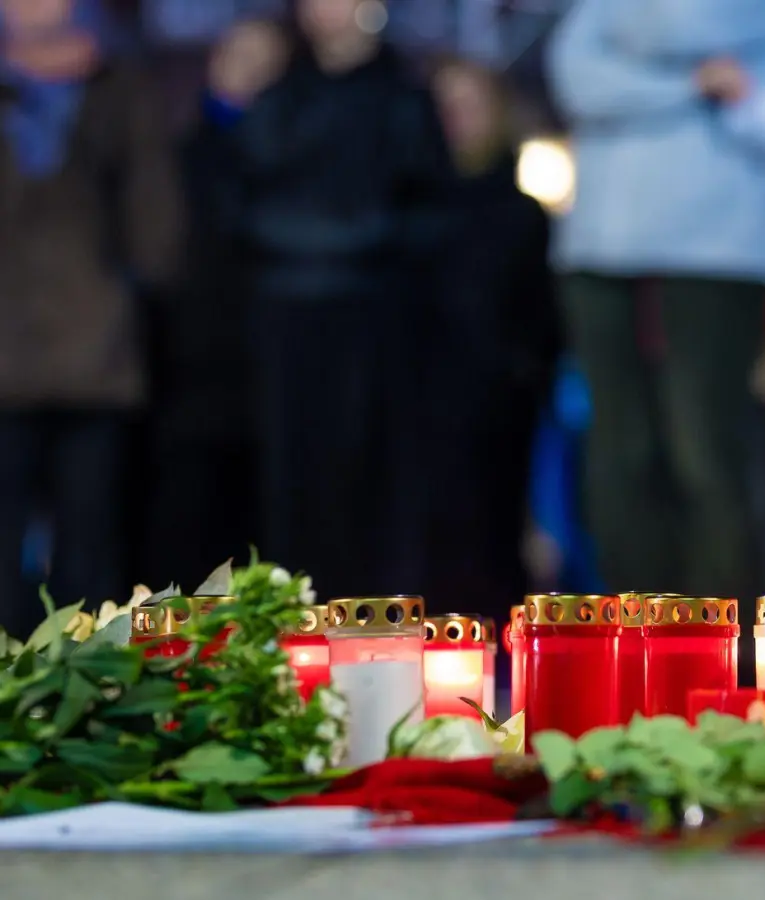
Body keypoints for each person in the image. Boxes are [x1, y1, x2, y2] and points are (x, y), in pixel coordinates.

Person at [545, 0, 765, 607]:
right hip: (600, 254)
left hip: (719, 257)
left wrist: (634, 66)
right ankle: (636, 639)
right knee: (619, 455)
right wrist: (691, 83)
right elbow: (578, 82)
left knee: (705, 453)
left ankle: (720, 649)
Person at [233, 0, 453, 596]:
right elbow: (235, 198)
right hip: (286, 319)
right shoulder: (277, 96)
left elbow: (433, 210)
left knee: (375, 480)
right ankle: (290, 625)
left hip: (377, 322)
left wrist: (365, 237)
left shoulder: (403, 96)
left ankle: (376, 635)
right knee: (291, 481)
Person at [0, 0, 182, 636]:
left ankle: (86, 694)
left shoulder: (119, 90)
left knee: (89, 545)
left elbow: (156, 226)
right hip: (19, 351)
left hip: (93, 353)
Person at [140, 18, 288, 586]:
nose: (251, 73)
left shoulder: (291, 166)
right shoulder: (176, 161)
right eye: (240, 56)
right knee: (184, 530)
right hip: (187, 377)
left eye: (267, 62)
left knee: (257, 540)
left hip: (269, 378)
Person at [424, 57, 560, 617]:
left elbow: (543, 318)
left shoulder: (523, 214)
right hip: (423, 408)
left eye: (470, 105)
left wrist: (519, 370)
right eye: (445, 107)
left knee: (495, 537)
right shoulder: (412, 211)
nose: (456, 121)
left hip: (500, 409)